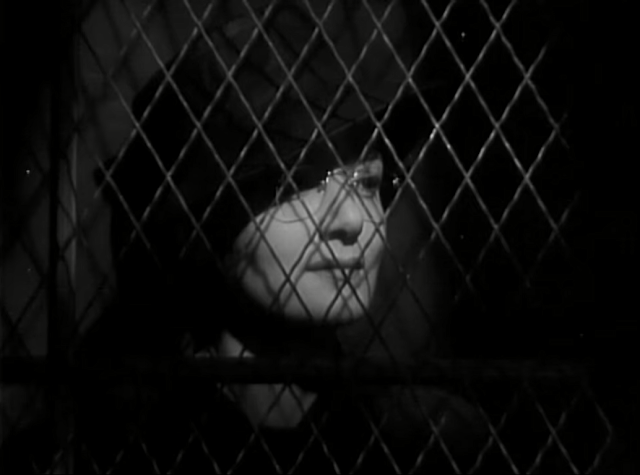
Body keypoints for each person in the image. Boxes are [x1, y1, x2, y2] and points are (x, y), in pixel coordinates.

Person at [2, 2, 488, 473]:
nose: (353, 220)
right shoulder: (98, 448)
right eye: (295, 185)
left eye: (366, 182)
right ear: (204, 225)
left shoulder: (427, 445)